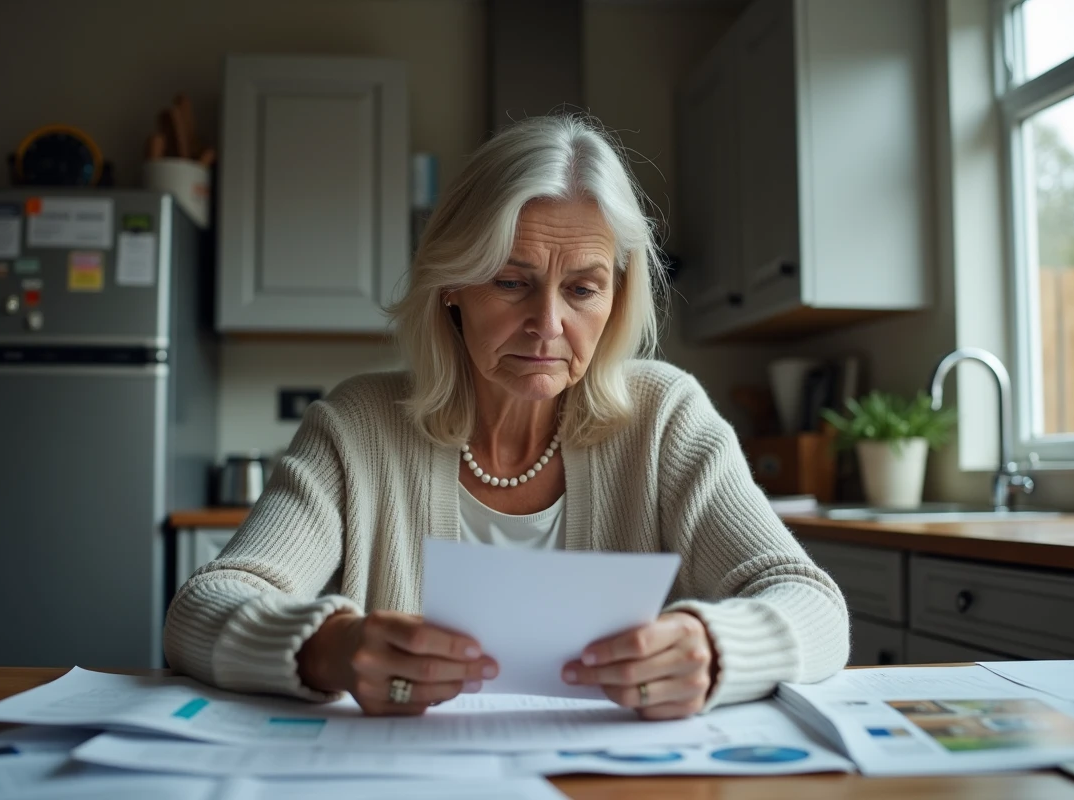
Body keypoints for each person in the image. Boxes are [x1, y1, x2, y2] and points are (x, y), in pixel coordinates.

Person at [164, 115, 848, 720]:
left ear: (617, 298)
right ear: (454, 286)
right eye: (512, 282)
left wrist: (713, 648)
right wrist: (327, 649)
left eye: (582, 288)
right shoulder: (356, 426)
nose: (547, 325)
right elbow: (201, 610)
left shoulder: (665, 417)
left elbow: (813, 606)